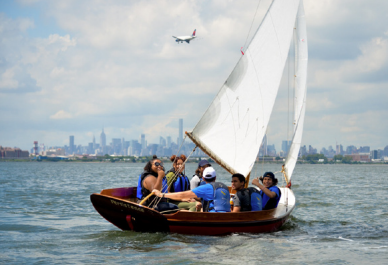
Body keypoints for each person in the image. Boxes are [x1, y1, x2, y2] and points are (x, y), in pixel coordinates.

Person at [153, 167, 230, 213]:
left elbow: (182, 195)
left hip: (213, 217)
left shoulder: (206, 188)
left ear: (203, 178)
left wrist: (161, 194)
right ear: (215, 177)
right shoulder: (224, 187)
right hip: (228, 217)